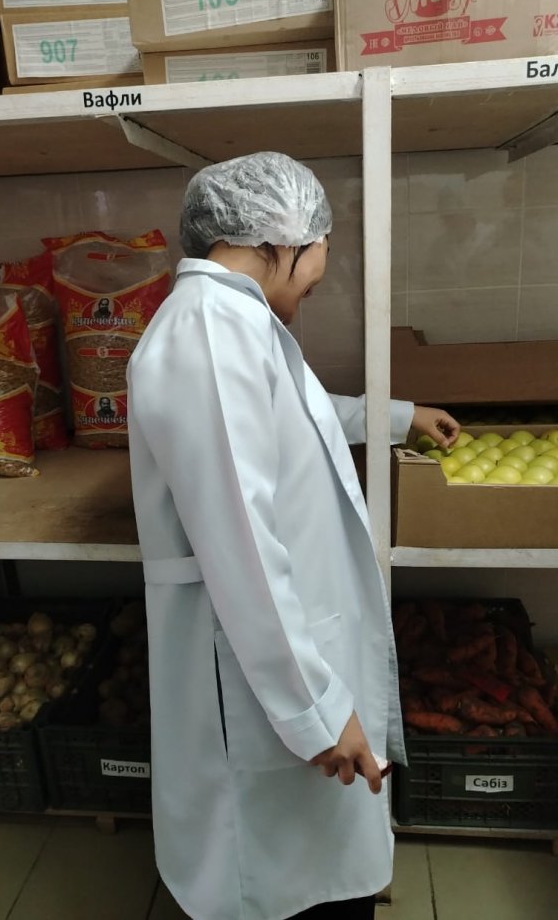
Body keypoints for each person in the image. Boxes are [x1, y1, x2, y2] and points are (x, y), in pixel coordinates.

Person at [127, 152, 460, 920]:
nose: (318, 276)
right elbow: (240, 541)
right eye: (319, 254)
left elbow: (296, 414)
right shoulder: (210, 333)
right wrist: (316, 708)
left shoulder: (234, 322)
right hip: (259, 672)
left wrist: (398, 416)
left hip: (284, 655)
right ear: (281, 238)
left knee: (310, 863)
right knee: (270, 877)